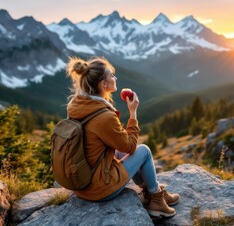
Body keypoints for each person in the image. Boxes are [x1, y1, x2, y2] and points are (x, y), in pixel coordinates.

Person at [66, 56, 180, 218]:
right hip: (99, 189)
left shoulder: (77, 105)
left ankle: (151, 190)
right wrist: (133, 112)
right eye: (111, 75)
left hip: (83, 184)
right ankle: (155, 199)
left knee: (120, 152)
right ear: (103, 85)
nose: (115, 78)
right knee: (144, 151)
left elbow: (117, 146)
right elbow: (130, 146)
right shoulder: (103, 116)